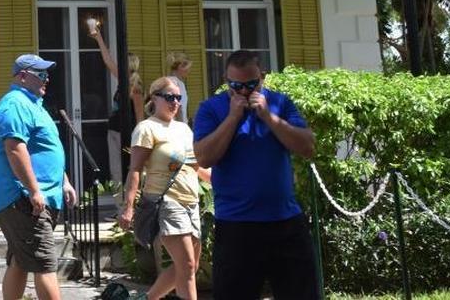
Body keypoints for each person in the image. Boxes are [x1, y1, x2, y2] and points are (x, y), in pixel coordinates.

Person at [193, 50, 319, 300]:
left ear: (262, 77)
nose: (243, 91)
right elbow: (204, 157)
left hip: (285, 221)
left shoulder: (280, 103)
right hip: (237, 226)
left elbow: (308, 147)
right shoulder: (211, 109)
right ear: (227, 81)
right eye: (236, 86)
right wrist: (232, 118)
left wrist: (268, 117)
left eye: (251, 85)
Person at [0, 54, 78, 300]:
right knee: (45, 265)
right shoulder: (15, 104)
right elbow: (15, 149)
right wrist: (34, 190)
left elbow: (43, 148)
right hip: (24, 199)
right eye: (41, 74)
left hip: (38, 197)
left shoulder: (33, 104)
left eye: (47, 74)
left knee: (20, 261)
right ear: (22, 76)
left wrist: (64, 181)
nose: (46, 79)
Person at [118, 76, 211, 300]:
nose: (175, 102)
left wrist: (228, 184)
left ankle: (148, 299)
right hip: (167, 202)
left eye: (178, 97)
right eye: (169, 97)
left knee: (190, 264)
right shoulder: (146, 128)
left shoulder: (184, 129)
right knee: (187, 265)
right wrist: (128, 207)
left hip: (191, 202)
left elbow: (196, 166)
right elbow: (135, 169)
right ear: (154, 98)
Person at [88, 18, 144, 183]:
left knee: (129, 167)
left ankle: (131, 196)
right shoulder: (123, 80)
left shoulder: (136, 88)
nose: (118, 65)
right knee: (116, 169)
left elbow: (140, 116)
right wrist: (98, 38)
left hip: (128, 133)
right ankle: (119, 197)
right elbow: (107, 61)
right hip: (114, 129)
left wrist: (140, 138)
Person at [167, 52, 192, 123]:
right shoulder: (175, 83)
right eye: (188, 68)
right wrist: (181, 127)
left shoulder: (175, 82)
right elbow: (177, 107)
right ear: (180, 67)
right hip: (175, 125)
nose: (189, 71)